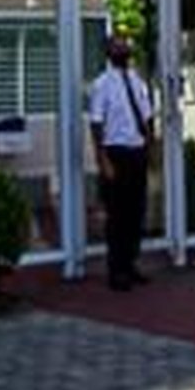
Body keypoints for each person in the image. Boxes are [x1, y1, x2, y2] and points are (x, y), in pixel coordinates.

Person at [85, 31, 156, 290]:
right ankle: (116, 271)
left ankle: (131, 263)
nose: (123, 49)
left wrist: (151, 149)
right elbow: (96, 124)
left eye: (125, 45)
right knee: (117, 215)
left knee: (137, 212)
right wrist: (102, 160)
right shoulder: (101, 85)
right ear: (109, 53)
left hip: (137, 152)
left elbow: (147, 117)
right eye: (118, 46)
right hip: (115, 154)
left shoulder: (137, 81)